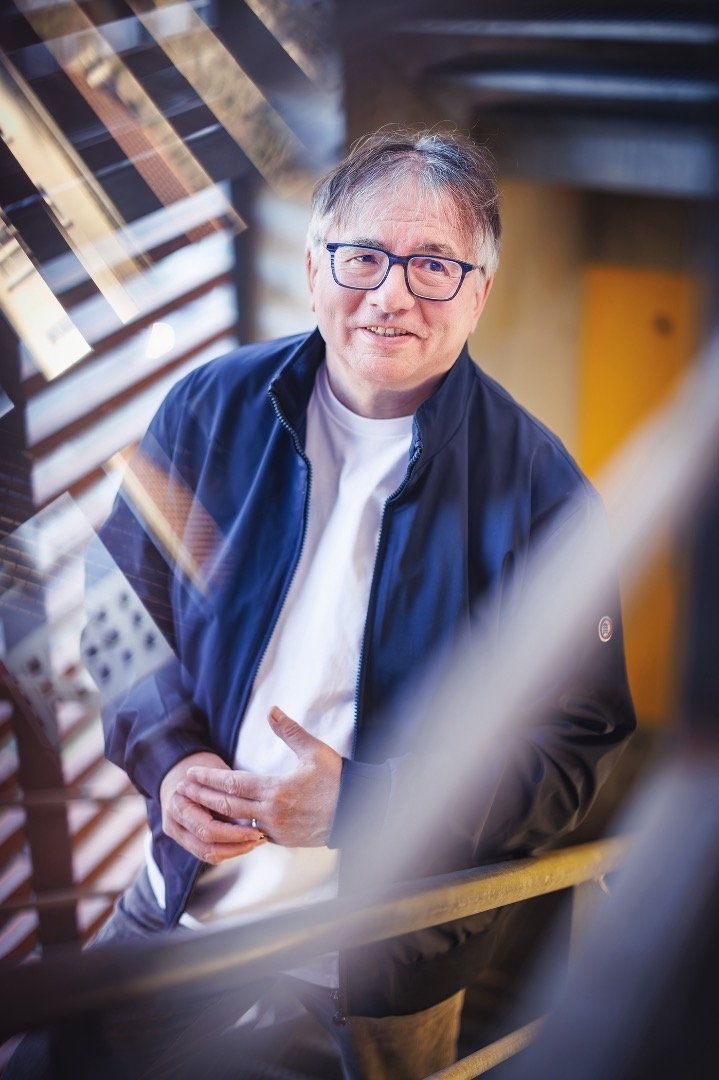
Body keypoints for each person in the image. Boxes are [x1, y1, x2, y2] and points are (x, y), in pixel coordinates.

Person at [7, 127, 635, 1079]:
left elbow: (573, 752)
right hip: (192, 892)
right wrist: (168, 759)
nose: (390, 294)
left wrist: (363, 806)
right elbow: (120, 600)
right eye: (363, 256)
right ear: (312, 269)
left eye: (433, 264)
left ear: (478, 293)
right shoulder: (208, 409)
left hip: (397, 943)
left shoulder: (544, 498)